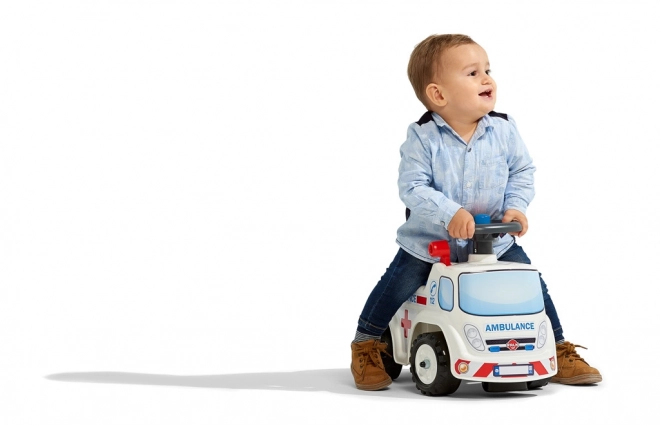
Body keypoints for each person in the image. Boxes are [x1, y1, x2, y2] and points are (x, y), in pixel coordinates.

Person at [350, 34, 602, 390]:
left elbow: (522, 171)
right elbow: (412, 187)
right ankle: (367, 343)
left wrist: (516, 206)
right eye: (472, 73)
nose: (487, 78)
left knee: (531, 285)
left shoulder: (503, 129)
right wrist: (449, 212)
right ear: (439, 95)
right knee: (398, 284)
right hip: (430, 243)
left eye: (487, 69)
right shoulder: (423, 138)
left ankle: (558, 348)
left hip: (493, 242)